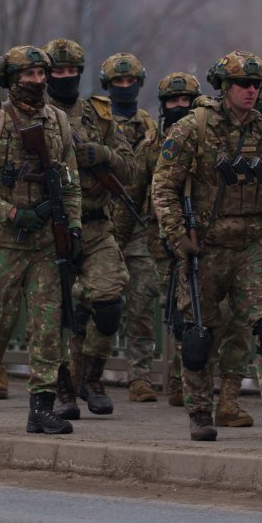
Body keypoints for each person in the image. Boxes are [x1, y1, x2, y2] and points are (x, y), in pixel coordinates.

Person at [153, 50, 262, 443]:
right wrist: (178, 237)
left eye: (257, 85)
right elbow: (164, 186)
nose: (251, 91)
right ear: (225, 88)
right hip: (205, 247)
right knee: (198, 336)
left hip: (252, 246)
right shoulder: (194, 128)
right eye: (244, 84)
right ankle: (200, 412)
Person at [0, 44, 82, 434]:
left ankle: (41, 406)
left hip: (44, 242)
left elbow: (70, 182)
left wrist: (72, 226)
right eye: (30, 75)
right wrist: (10, 212)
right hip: (0, 244)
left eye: (43, 74)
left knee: (48, 324)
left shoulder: (58, 121)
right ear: (11, 79)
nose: (38, 82)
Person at [44, 38, 134, 418]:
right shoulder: (34, 117)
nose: (65, 78)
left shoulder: (99, 116)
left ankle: (92, 377)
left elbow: (131, 170)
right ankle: (62, 387)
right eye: (58, 72)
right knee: (54, 315)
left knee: (110, 302)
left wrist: (105, 154)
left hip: (96, 226)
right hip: (51, 228)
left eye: (71, 72)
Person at [99, 52, 161, 402]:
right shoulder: (97, 124)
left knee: (140, 305)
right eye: (118, 82)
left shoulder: (150, 128)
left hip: (137, 227)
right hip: (99, 225)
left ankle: (140, 376)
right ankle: (84, 370)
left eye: (130, 82)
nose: (125, 88)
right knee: (95, 303)